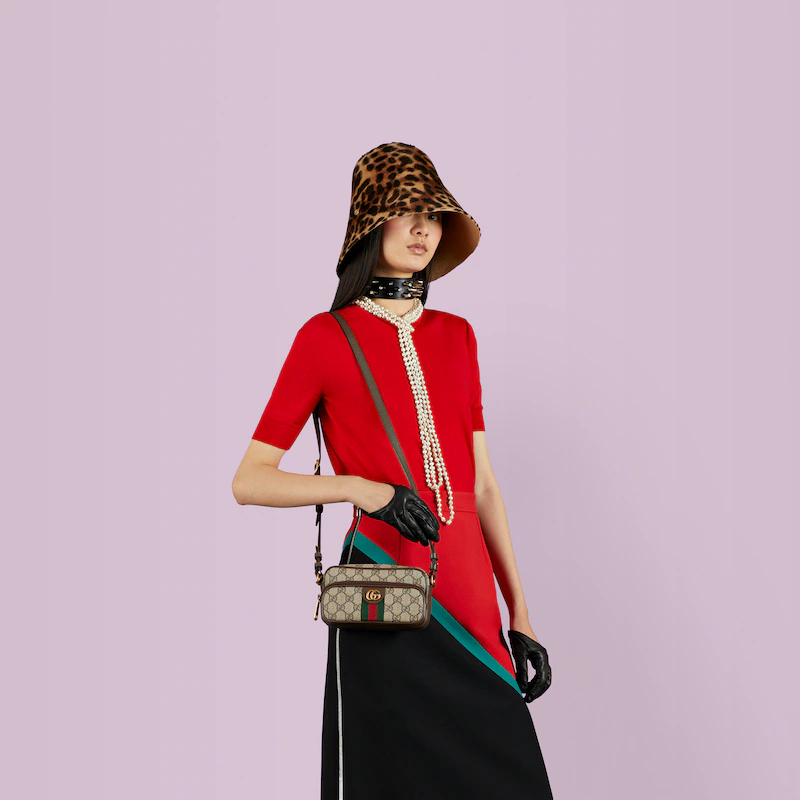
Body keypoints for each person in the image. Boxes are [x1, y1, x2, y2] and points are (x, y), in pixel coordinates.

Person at [232, 142, 554, 799]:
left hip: (467, 591)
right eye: (405, 213)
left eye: (433, 215)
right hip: (385, 590)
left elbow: (482, 486)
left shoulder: (459, 335)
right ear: (368, 225)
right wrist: (362, 489)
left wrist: (520, 612)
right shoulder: (324, 338)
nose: (422, 228)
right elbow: (251, 478)